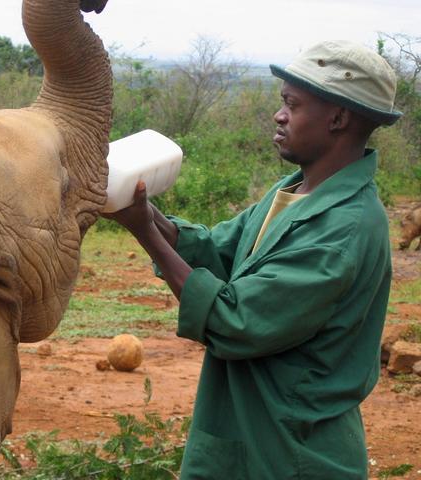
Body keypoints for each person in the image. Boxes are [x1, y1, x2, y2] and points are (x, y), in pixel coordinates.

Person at [103, 40, 402, 479]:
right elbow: (218, 253)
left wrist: (144, 231)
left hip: (291, 453)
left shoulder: (342, 231)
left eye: (292, 105)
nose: (279, 115)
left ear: (338, 118)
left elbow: (233, 321)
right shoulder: (295, 192)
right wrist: (146, 211)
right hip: (249, 434)